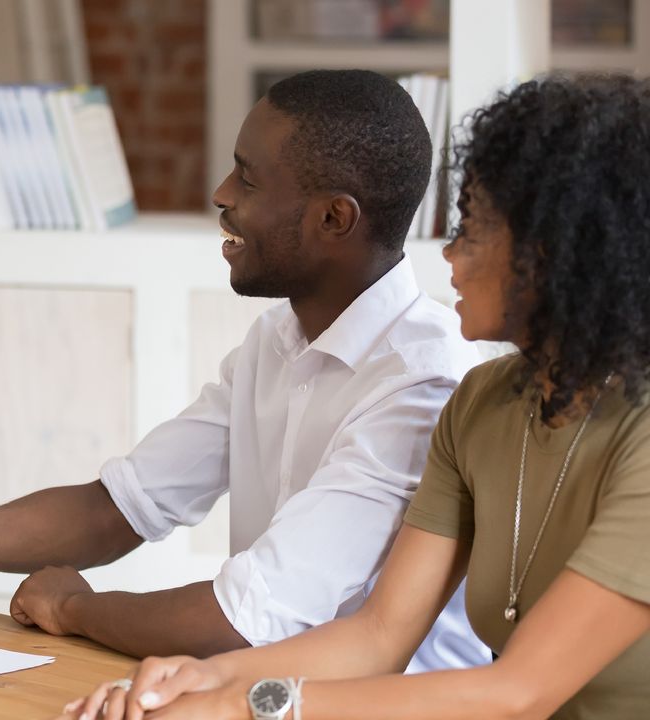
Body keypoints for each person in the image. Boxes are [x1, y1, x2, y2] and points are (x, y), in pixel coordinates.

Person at [0, 69, 488, 670]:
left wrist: (77, 609)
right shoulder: (279, 338)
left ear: (333, 218)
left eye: (247, 179)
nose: (222, 195)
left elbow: (248, 619)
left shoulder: (422, 386)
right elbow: (118, 508)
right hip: (265, 694)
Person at [62, 74, 650, 720]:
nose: (448, 255)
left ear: (558, 256)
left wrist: (248, 708)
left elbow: (516, 692)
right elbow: (377, 637)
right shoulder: (481, 406)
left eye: (474, 230)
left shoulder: (638, 440)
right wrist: (194, 680)